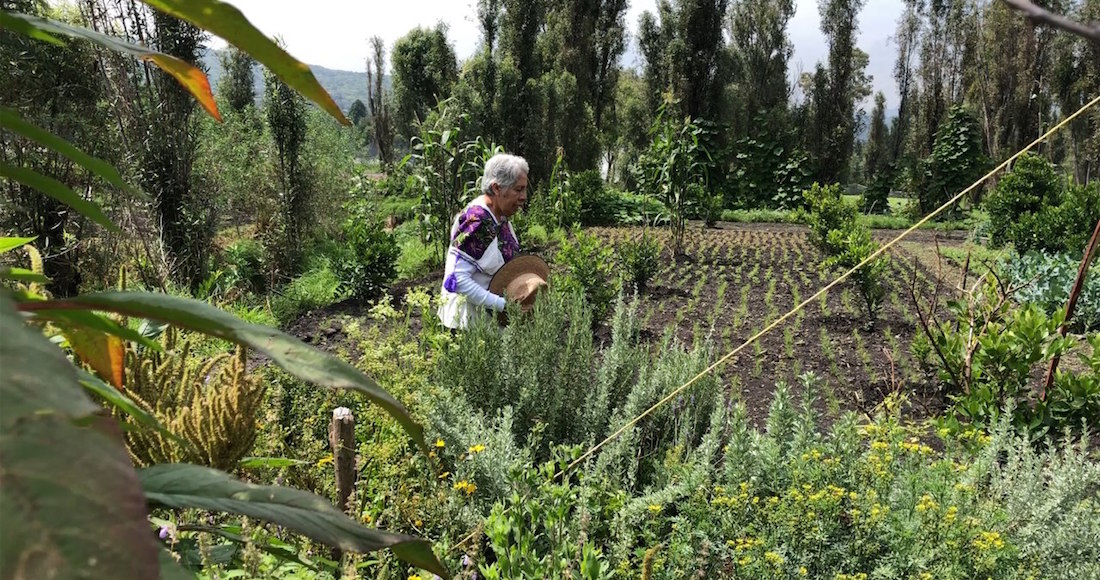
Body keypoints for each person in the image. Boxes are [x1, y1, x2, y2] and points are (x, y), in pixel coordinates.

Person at [438, 153, 539, 329]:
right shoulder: (478, 222)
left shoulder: (499, 217)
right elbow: (456, 279)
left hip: (488, 325)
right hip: (469, 328)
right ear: (496, 188)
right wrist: (503, 306)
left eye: (524, 189)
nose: (524, 196)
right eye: (518, 189)